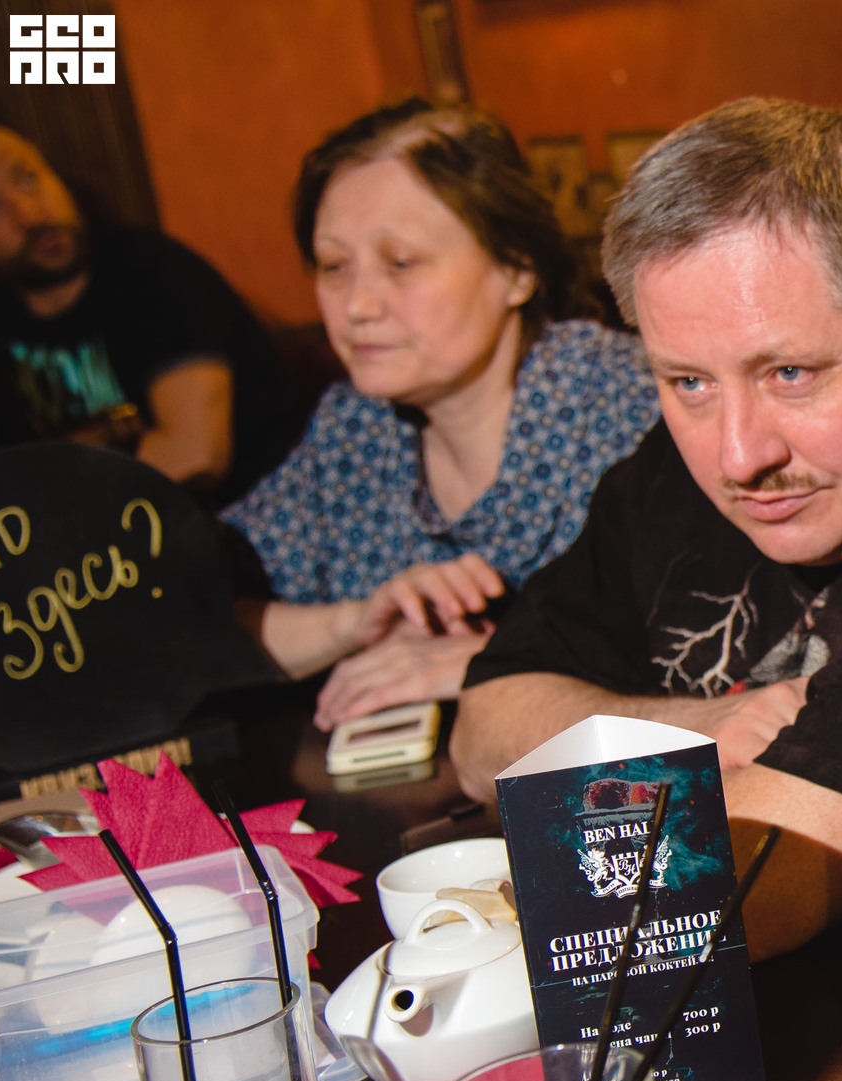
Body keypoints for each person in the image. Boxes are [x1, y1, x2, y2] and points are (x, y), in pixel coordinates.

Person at [449, 98, 842, 959]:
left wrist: (591, 764)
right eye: (689, 383)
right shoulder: (671, 472)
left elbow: (747, 887)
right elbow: (482, 729)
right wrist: (697, 731)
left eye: (789, 372)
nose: (740, 457)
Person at [220, 99, 656, 731]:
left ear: (516, 269)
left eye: (400, 262)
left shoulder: (632, 404)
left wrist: (507, 664)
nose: (357, 305)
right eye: (334, 267)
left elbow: (738, 654)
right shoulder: (354, 430)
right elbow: (196, 621)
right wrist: (354, 621)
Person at [0, 126, 302, 504]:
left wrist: (49, 506)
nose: (30, 213)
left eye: (28, 178)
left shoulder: (153, 272)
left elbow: (197, 455)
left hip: (262, 513)